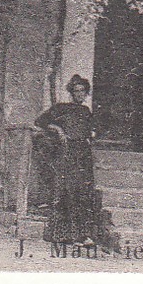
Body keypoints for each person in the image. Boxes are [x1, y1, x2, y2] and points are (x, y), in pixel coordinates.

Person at [33, 74, 104, 248]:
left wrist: (91, 135)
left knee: (83, 193)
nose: (79, 94)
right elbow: (41, 121)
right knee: (66, 191)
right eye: (76, 91)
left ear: (86, 93)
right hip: (66, 153)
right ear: (71, 92)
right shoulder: (61, 108)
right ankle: (62, 235)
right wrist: (58, 130)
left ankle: (82, 236)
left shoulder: (86, 111)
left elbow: (92, 131)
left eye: (83, 91)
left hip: (83, 155)